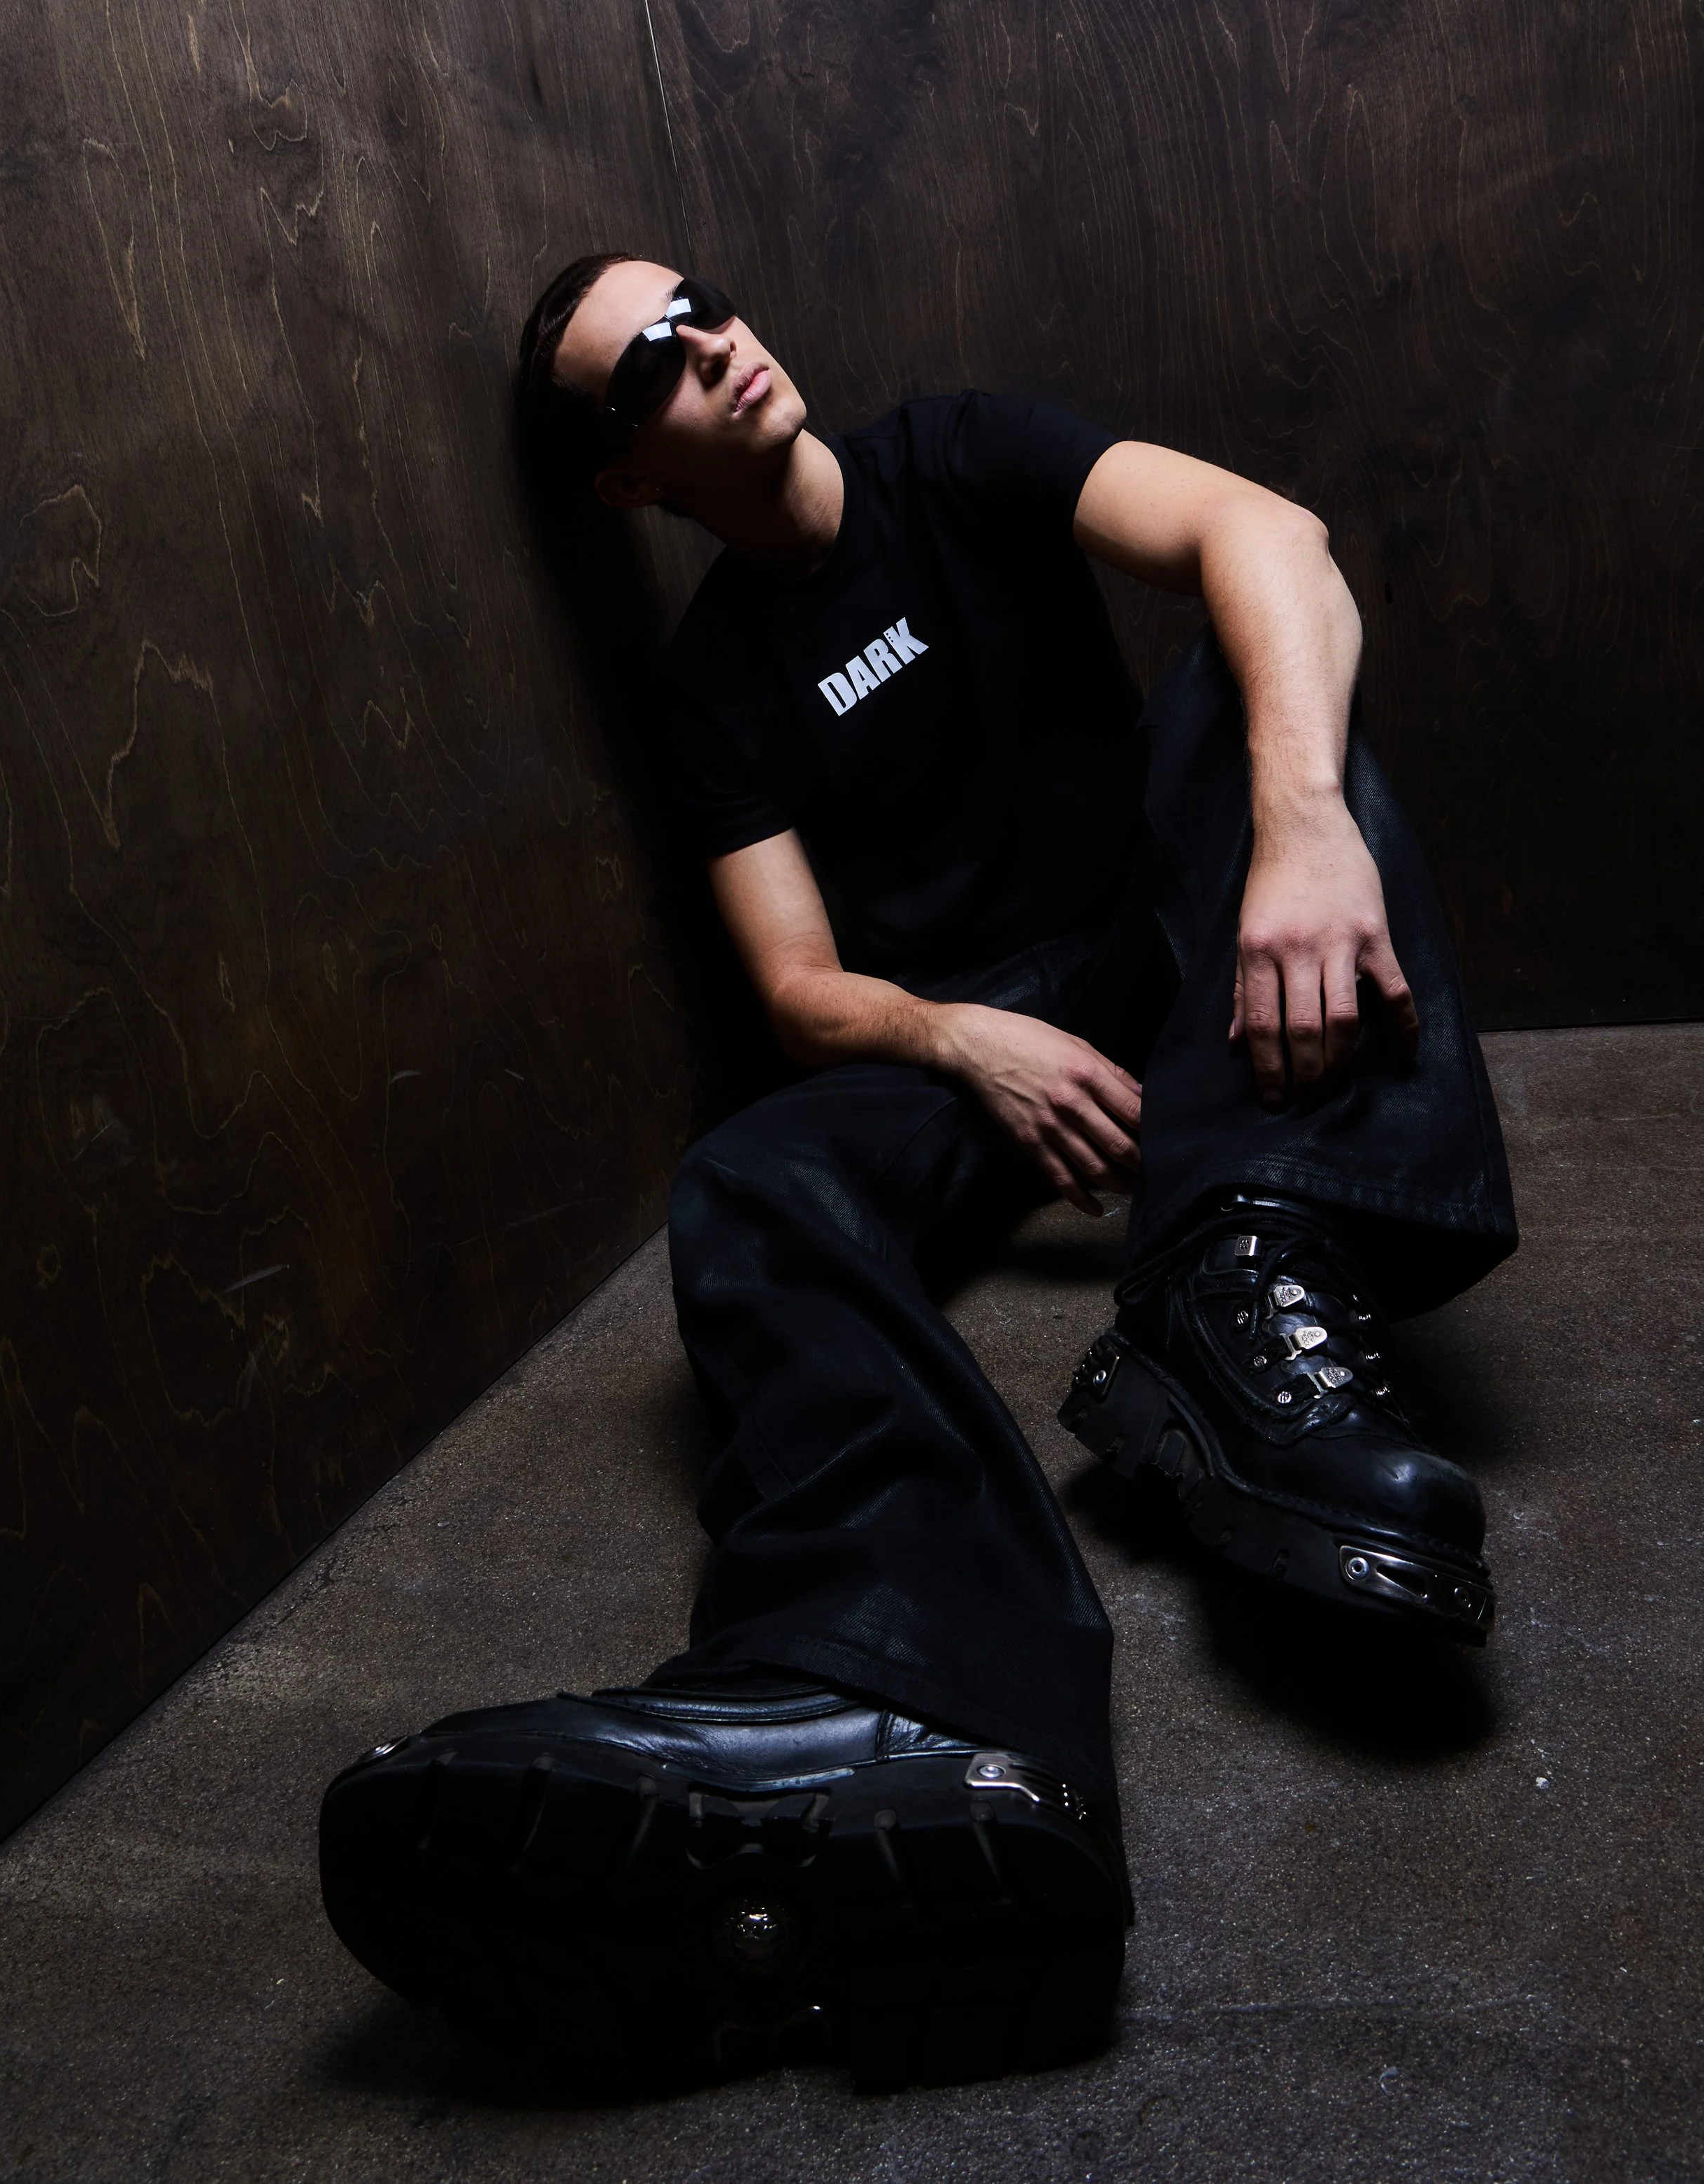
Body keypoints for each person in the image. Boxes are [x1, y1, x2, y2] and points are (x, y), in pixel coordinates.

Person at [317, 256, 1516, 2086]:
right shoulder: (716, 677)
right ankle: (889, 1676)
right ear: (627, 480)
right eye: (649, 359)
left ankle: (1242, 1282)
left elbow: (1262, 527)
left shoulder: (953, 456)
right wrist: (964, 1038)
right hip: (978, 1029)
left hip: (1168, 920)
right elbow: (797, 985)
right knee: (744, 1177)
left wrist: (1288, 829)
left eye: (698, 302)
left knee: (1272, 677)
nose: (709, 339)